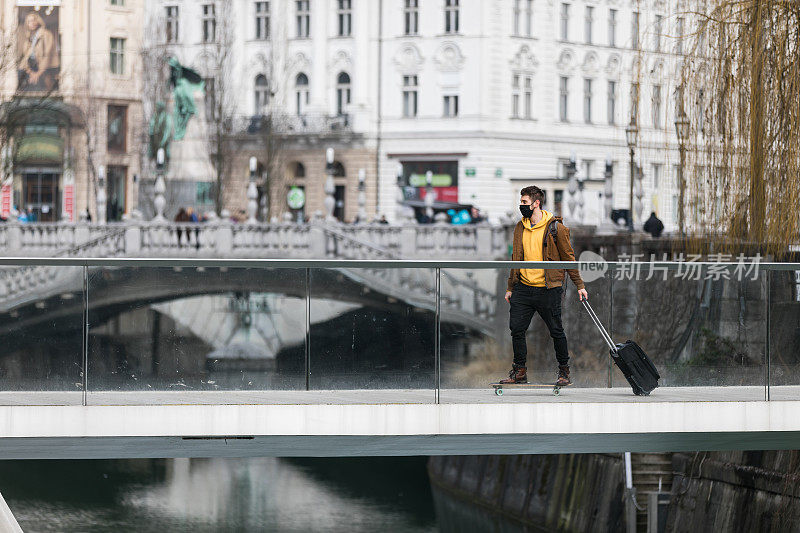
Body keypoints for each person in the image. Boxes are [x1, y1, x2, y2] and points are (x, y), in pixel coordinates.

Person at [501, 185, 588, 386]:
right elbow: (515, 259)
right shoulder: (520, 227)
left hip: (548, 289)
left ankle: (564, 371)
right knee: (517, 329)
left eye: (524, 202)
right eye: (521, 202)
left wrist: (580, 285)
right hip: (523, 288)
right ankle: (519, 371)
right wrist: (510, 287)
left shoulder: (556, 228)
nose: (521, 206)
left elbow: (568, 258)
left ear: (536, 203)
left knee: (556, 330)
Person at [17, 11, 59, 91]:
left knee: (44, 92)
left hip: (45, 69)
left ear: (38, 21)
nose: (32, 23)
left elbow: (48, 55)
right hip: (32, 67)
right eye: (29, 21)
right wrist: (30, 72)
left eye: (33, 20)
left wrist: (38, 73)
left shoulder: (46, 34)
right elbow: (25, 57)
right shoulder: (29, 37)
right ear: (27, 24)